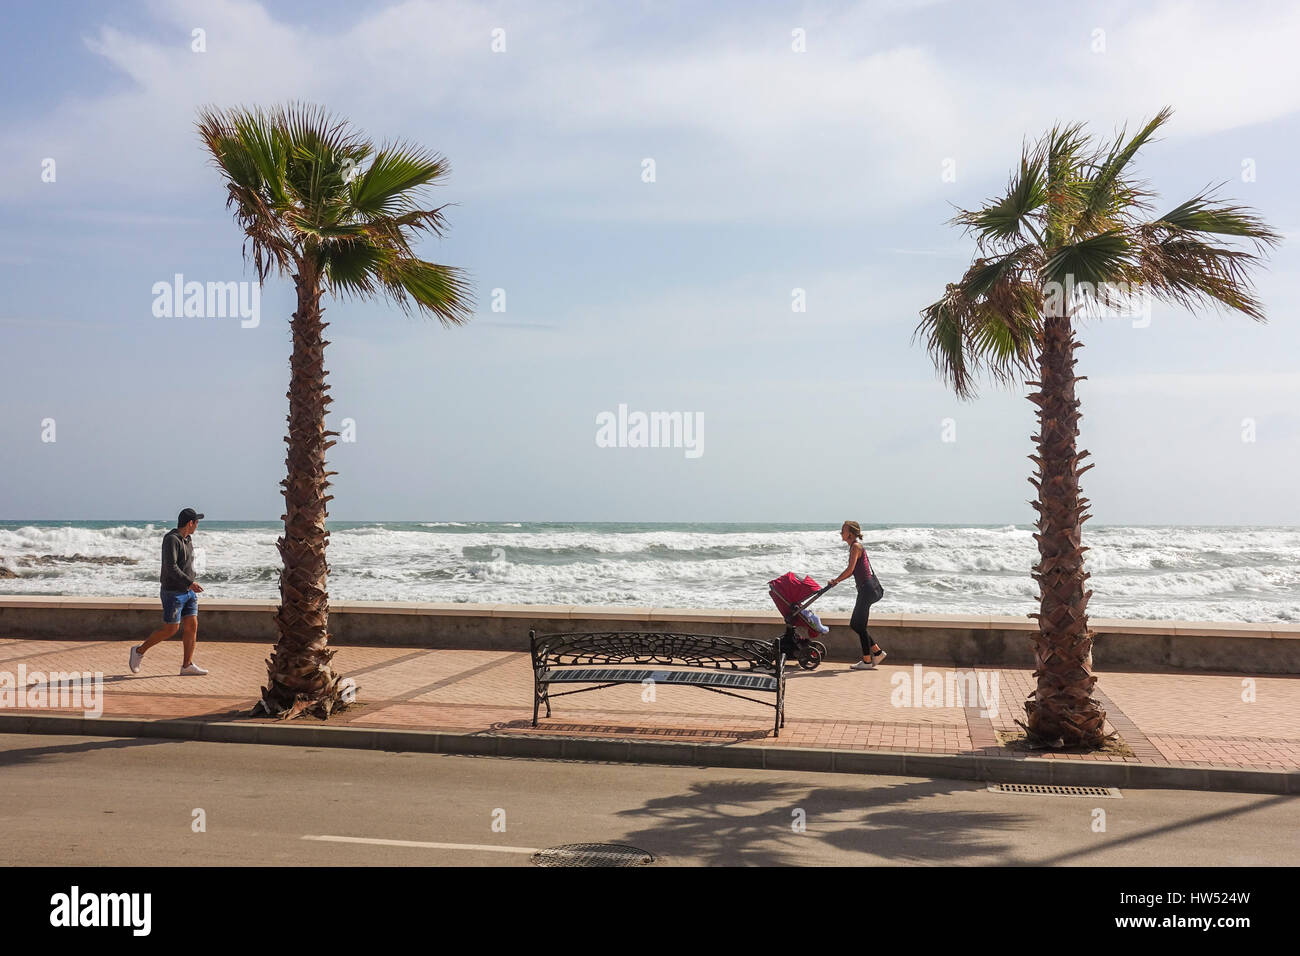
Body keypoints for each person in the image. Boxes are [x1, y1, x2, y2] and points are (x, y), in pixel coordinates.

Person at [128, 508, 208, 676]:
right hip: (173, 592)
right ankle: (139, 651)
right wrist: (190, 582)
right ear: (190, 523)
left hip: (188, 592)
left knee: (192, 626)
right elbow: (170, 567)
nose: (197, 526)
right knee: (171, 629)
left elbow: (186, 564)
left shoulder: (188, 540)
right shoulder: (171, 539)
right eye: (196, 522)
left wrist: (191, 581)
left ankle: (187, 665)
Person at [828, 520, 887, 670]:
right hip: (866, 589)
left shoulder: (855, 546)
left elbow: (850, 570)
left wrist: (836, 580)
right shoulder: (855, 546)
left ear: (851, 533)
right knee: (858, 625)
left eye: (843, 530)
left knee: (857, 624)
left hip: (867, 589)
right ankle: (876, 653)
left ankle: (868, 660)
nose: (841, 532)